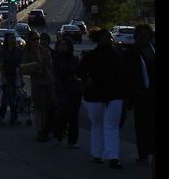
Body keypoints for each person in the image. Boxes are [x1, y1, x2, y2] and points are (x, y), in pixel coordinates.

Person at [76, 28, 125, 168]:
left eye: (110, 37)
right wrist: (87, 79)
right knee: (98, 125)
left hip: (115, 94)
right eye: (106, 37)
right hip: (95, 95)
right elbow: (79, 72)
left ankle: (113, 157)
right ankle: (97, 154)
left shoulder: (118, 54)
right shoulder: (91, 56)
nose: (110, 39)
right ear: (99, 39)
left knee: (112, 125)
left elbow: (125, 73)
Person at [124, 24, 155, 163]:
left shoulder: (154, 50)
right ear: (136, 37)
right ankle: (142, 153)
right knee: (141, 125)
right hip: (139, 94)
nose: (144, 37)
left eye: (146, 35)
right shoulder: (131, 52)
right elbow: (126, 74)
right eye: (141, 35)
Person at [20, 30, 55, 141]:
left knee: (49, 107)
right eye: (34, 39)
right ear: (29, 41)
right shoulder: (27, 52)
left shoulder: (45, 51)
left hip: (48, 80)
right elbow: (24, 68)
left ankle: (47, 130)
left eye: (38, 38)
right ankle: (40, 131)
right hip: (38, 82)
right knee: (39, 108)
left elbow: (50, 66)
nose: (37, 41)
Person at [52, 36, 83, 147]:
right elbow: (56, 74)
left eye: (65, 45)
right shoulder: (56, 59)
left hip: (73, 90)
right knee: (60, 116)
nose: (63, 47)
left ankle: (72, 141)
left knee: (73, 117)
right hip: (61, 90)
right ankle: (58, 137)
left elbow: (79, 73)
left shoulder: (74, 59)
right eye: (61, 45)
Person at [0, 31, 22, 124]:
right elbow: (1, 64)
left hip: (15, 76)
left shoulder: (18, 51)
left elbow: (21, 64)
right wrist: (3, 76)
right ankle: (1, 115)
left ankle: (14, 117)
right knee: (6, 97)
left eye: (14, 38)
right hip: (7, 76)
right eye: (11, 38)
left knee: (14, 98)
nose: (13, 40)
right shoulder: (4, 51)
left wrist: (21, 78)